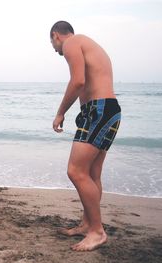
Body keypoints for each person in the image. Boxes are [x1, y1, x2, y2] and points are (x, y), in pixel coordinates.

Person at [49, 21, 121, 251]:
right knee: (91, 173)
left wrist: (60, 112)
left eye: (52, 43)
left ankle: (97, 232)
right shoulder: (88, 43)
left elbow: (78, 81)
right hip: (106, 110)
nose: (55, 49)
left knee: (75, 171)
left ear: (56, 36)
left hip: (98, 110)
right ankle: (88, 223)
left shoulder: (72, 43)